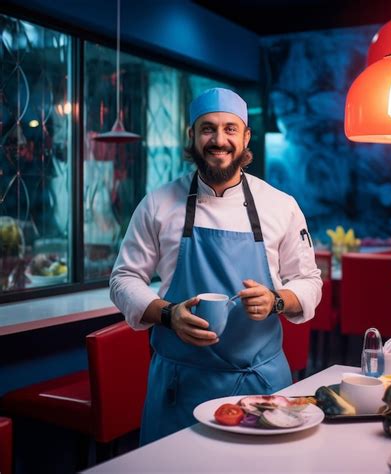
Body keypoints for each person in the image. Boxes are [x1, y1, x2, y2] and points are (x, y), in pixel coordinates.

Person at [110, 87, 322, 444]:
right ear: (191, 135)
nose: (218, 139)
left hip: (260, 389)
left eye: (229, 129)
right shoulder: (158, 204)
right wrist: (168, 314)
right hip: (181, 385)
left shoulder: (280, 205)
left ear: (245, 137)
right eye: (207, 128)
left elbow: (309, 280)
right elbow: (124, 278)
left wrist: (277, 300)